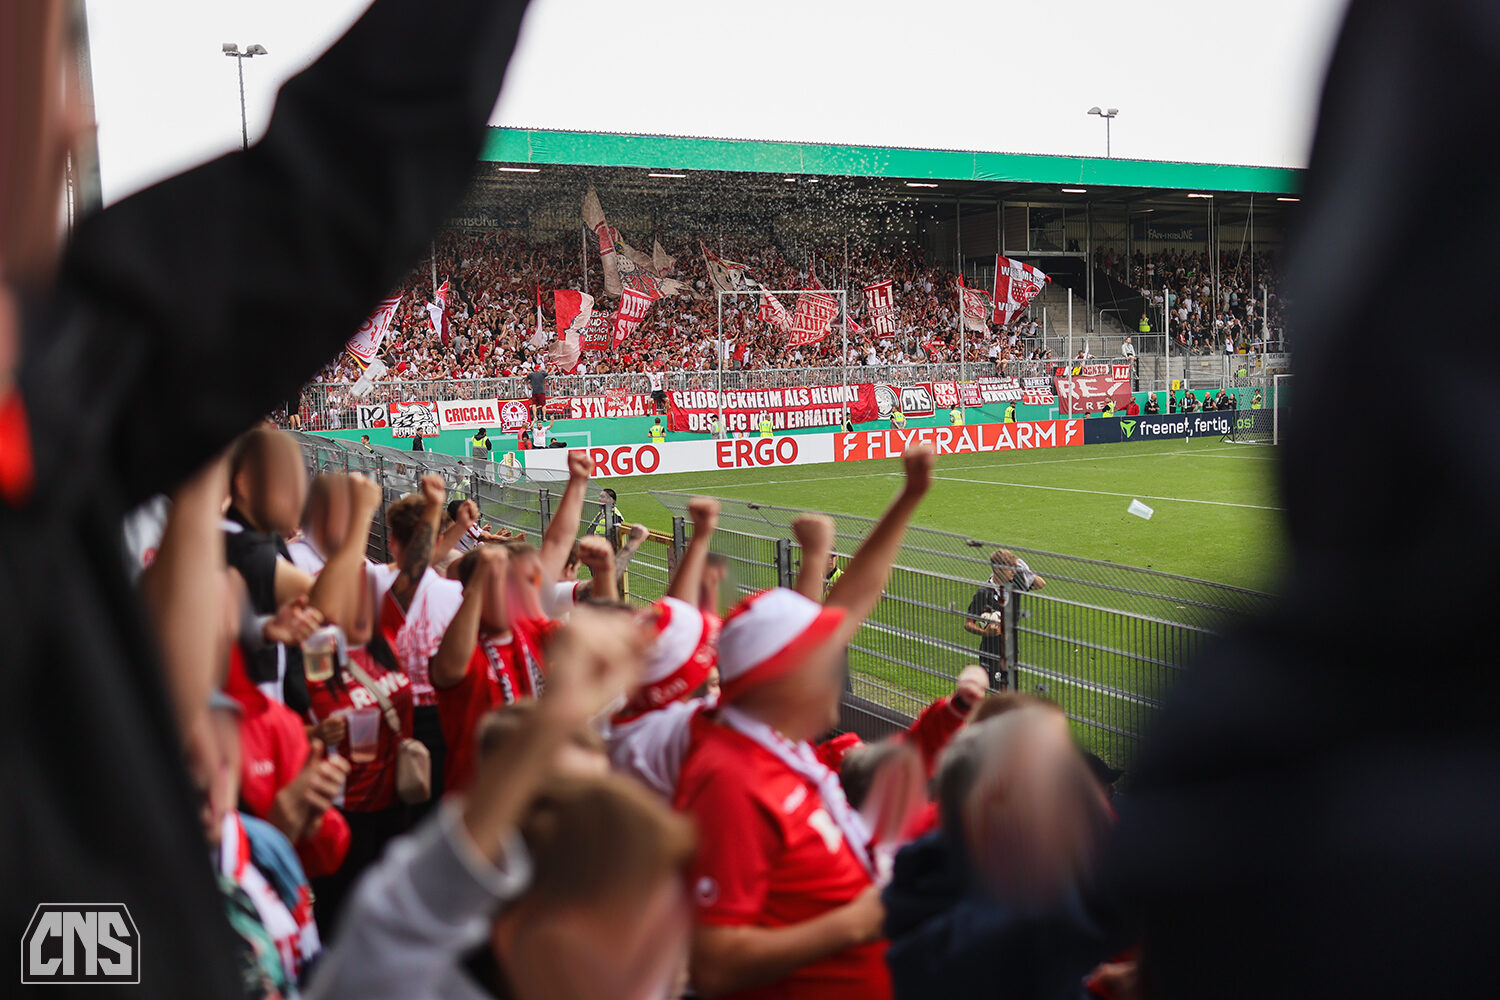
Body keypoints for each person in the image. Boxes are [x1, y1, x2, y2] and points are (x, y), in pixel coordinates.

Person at [2, 1, 534, 986]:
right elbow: (342, 184)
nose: (77, 126)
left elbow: (336, 189)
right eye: (52, 80)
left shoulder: (51, 411)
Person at [675, 446, 936, 1000]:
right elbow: (715, 966)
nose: (836, 661)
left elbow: (855, 600)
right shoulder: (731, 783)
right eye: (822, 654)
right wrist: (857, 923)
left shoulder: (766, 742)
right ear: (784, 678)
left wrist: (909, 497)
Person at [963, 549, 1046, 691]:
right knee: (999, 694)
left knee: (1010, 693)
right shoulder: (985, 593)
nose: (1013, 572)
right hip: (991, 652)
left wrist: (1025, 570)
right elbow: (968, 623)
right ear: (998, 569)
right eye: (1010, 569)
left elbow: (1040, 584)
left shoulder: (1015, 584)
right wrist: (986, 633)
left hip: (1011, 650)